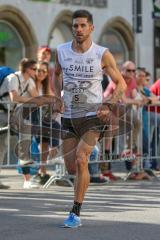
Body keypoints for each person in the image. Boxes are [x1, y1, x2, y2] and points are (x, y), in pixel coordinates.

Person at [54, 9, 127, 228]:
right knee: (71, 169)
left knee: (80, 158)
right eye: (75, 26)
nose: (78, 29)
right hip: (69, 115)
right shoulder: (61, 51)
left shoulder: (101, 54)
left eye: (83, 25)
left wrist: (108, 103)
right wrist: (57, 97)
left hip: (92, 114)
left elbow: (121, 84)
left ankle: (75, 212)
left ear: (91, 28)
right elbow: (56, 75)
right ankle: (86, 153)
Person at [30, 61, 60, 185]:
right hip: (32, 119)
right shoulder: (31, 84)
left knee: (44, 143)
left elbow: (53, 99)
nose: (41, 73)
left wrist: (57, 103)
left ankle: (43, 171)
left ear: (47, 73)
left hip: (43, 119)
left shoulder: (45, 87)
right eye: (39, 70)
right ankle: (54, 149)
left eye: (44, 71)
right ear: (35, 71)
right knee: (56, 127)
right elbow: (38, 99)